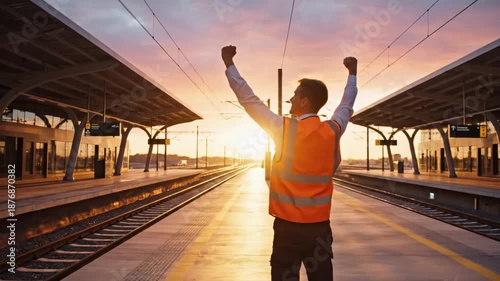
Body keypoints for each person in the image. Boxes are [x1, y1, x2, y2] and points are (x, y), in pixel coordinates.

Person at [222, 45, 357, 281]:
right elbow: (346, 105)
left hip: (287, 230)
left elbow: (249, 100)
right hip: (320, 230)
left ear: (304, 101)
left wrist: (229, 64)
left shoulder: (283, 129)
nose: (291, 99)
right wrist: (352, 74)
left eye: (295, 95)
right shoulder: (333, 130)